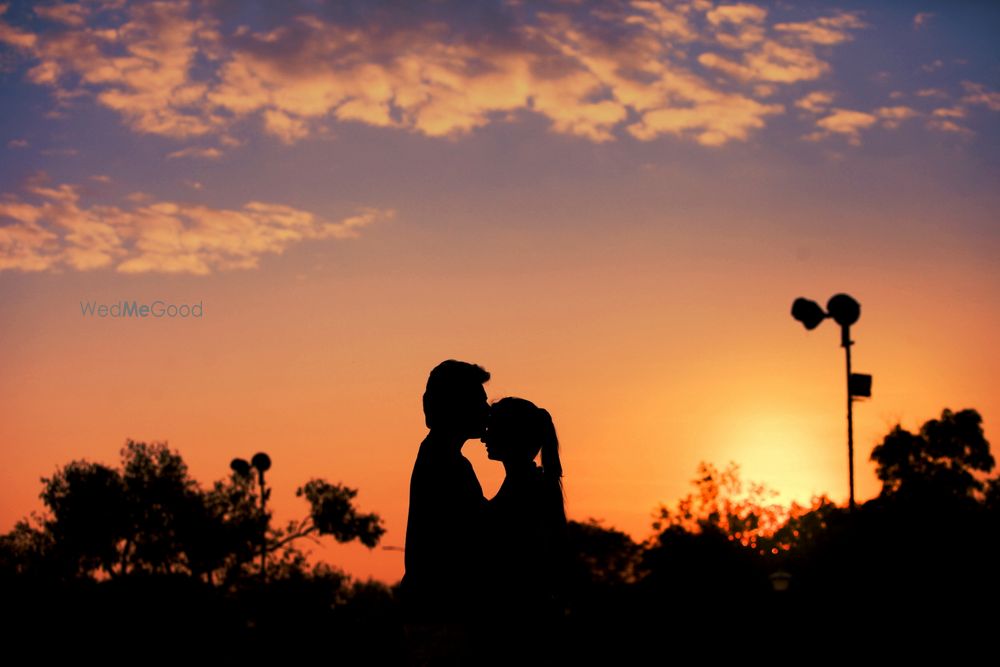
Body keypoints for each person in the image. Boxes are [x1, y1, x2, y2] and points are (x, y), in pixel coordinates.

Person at [400, 359, 491, 666]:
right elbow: (482, 532)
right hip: (442, 617)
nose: (486, 409)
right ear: (458, 405)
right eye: (480, 401)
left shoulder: (441, 457)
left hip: (434, 612)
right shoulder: (446, 463)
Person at [478, 397, 569, 666]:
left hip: (522, 626)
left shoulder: (526, 491)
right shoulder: (531, 485)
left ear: (511, 435)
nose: (484, 435)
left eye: (492, 427)